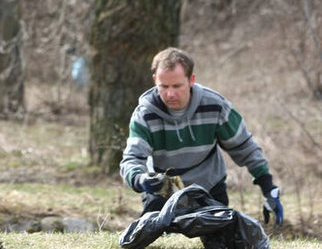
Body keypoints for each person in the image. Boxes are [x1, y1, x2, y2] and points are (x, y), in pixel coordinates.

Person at [120, 47, 283, 226]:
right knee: (151, 243)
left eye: (177, 86)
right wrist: (140, 179)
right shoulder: (144, 114)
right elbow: (132, 159)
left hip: (210, 188)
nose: (170, 94)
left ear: (191, 80)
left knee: (222, 246)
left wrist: (268, 188)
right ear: (154, 81)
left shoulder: (216, 106)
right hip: (162, 191)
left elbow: (244, 147)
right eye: (163, 86)